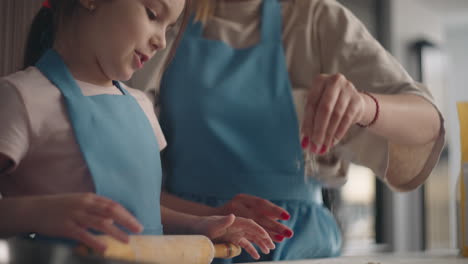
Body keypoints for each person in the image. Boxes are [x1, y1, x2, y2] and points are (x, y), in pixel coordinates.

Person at [130, 0, 446, 262]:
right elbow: (118, 154)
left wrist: (364, 106)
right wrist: (206, 215)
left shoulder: (317, 18)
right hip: (189, 236)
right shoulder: (168, 12)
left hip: (296, 244)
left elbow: (428, 123)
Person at [0, 0, 276, 259]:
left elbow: (141, 210)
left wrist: (200, 223)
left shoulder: (141, 105)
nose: (161, 41)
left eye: (169, 28)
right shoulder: (21, 98)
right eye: (153, 14)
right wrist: (37, 212)